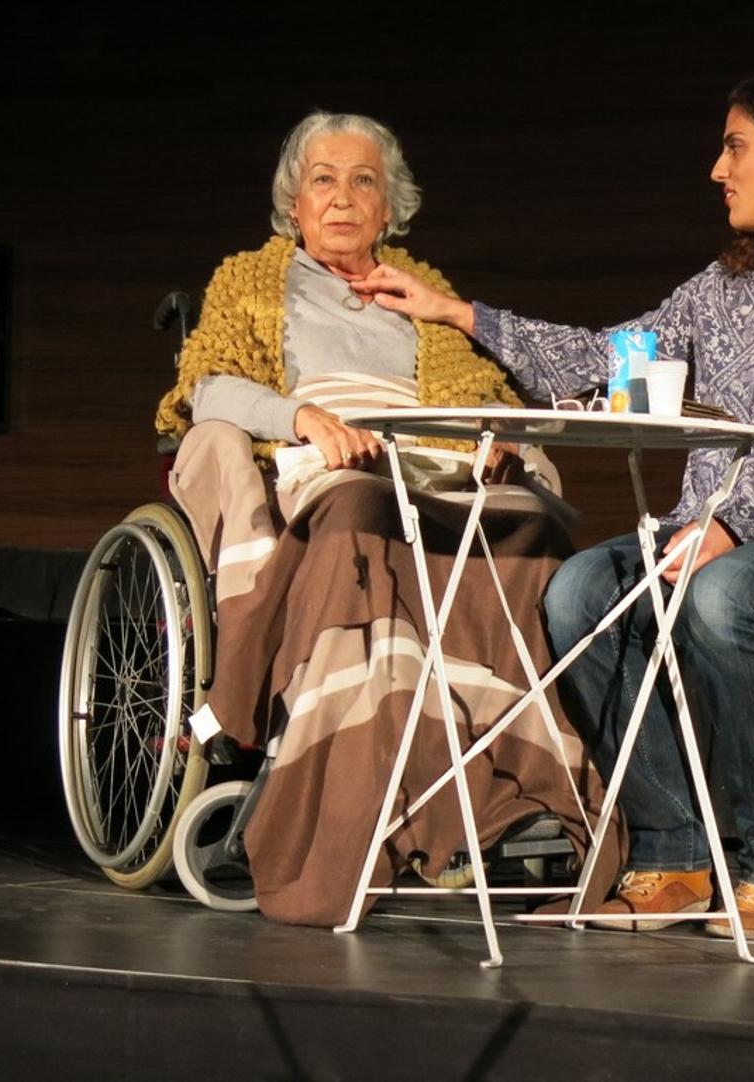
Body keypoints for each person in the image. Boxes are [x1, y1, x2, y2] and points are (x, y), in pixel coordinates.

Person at [351, 63, 754, 939]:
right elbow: (604, 360)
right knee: (581, 591)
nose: (717, 167)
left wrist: (736, 526)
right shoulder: (723, 291)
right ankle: (672, 852)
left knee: (722, 593)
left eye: (737, 146)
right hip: (708, 540)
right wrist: (457, 313)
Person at [155, 111, 624, 927]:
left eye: (362, 181)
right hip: (324, 459)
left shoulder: (418, 293)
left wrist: (493, 438)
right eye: (323, 181)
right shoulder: (253, 282)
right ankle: (366, 777)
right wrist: (304, 420)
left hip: (432, 465)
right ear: (294, 206)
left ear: (389, 207)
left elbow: (487, 394)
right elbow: (210, 387)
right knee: (364, 506)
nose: (342, 198)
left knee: (528, 522)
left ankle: (511, 778)